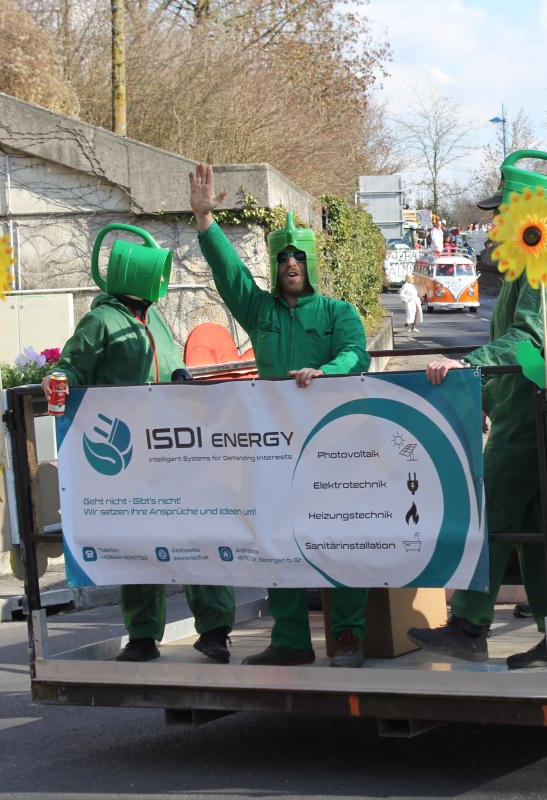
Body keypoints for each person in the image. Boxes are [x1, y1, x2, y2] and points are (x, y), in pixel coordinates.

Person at [407, 182, 547, 670]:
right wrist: (484, 393)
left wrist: (468, 366)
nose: (495, 224)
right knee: (538, 534)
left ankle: (470, 626)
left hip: (531, 414)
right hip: (541, 410)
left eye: (502, 212)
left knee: (491, 515)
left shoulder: (543, 263)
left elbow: (527, 338)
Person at [188, 163, 372, 668]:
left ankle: (349, 636)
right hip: (274, 449)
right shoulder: (261, 311)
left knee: (339, 537)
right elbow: (231, 276)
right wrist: (205, 221)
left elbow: (357, 355)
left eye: (298, 255)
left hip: (333, 447)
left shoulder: (338, 313)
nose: (291, 262)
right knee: (276, 540)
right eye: (283, 256)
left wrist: (326, 371)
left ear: (311, 262)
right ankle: (290, 640)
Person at [46, 270, 236, 664]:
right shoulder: (100, 321)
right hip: (131, 454)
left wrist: (181, 377)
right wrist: (59, 377)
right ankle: (143, 636)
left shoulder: (156, 318)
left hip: (173, 447)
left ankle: (215, 631)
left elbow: (171, 366)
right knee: (139, 541)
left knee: (198, 534)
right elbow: (72, 366)